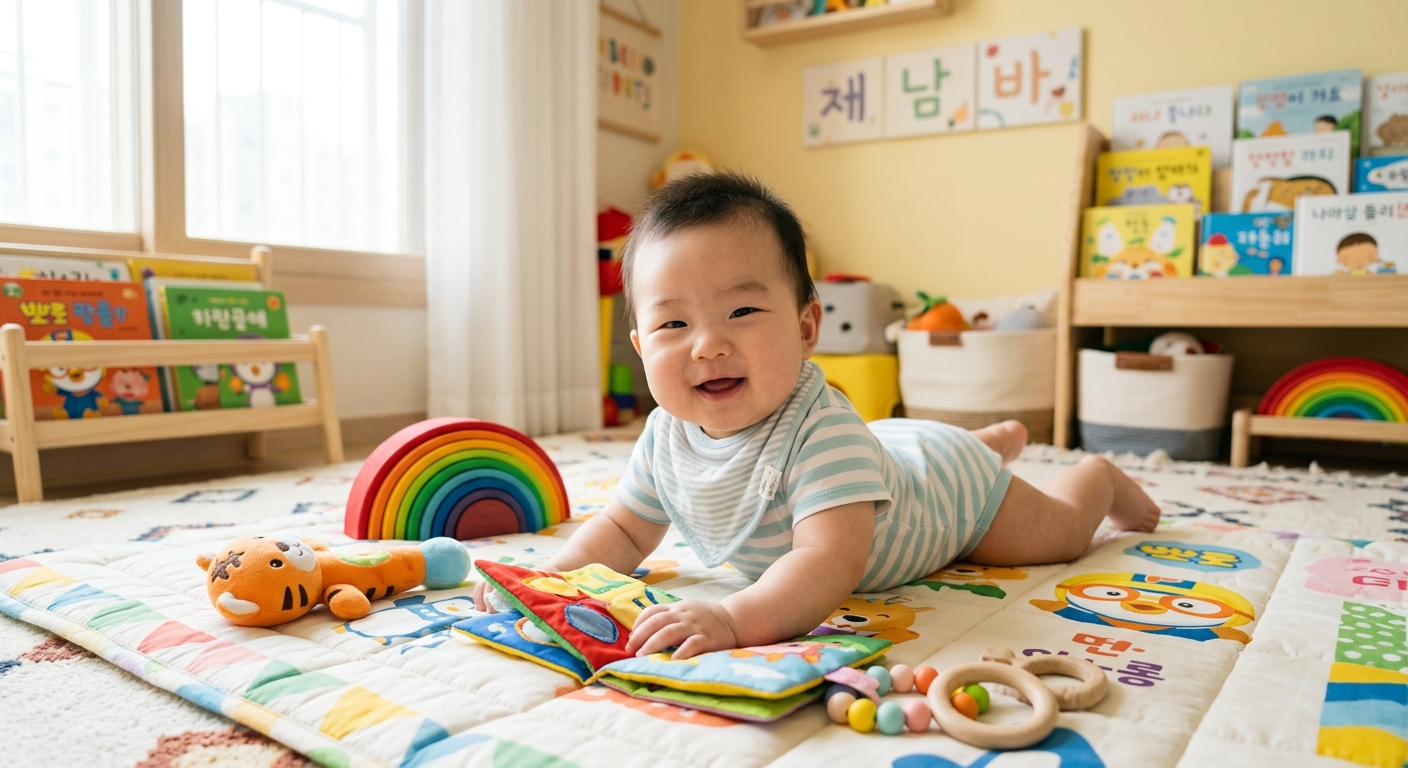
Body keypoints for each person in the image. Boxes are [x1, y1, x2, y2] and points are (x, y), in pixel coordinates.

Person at [474, 172, 1160, 659]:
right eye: (673, 323)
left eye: (741, 311)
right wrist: (550, 581)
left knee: (1060, 533)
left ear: (807, 328)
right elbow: (624, 529)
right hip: (890, 449)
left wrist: (735, 618)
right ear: (640, 347)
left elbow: (829, 560)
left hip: (952, 498)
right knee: (903, 449)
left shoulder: (821, 431)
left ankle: (1091, 476)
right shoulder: (666, 436)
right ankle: (988, 439)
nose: (707, 344)